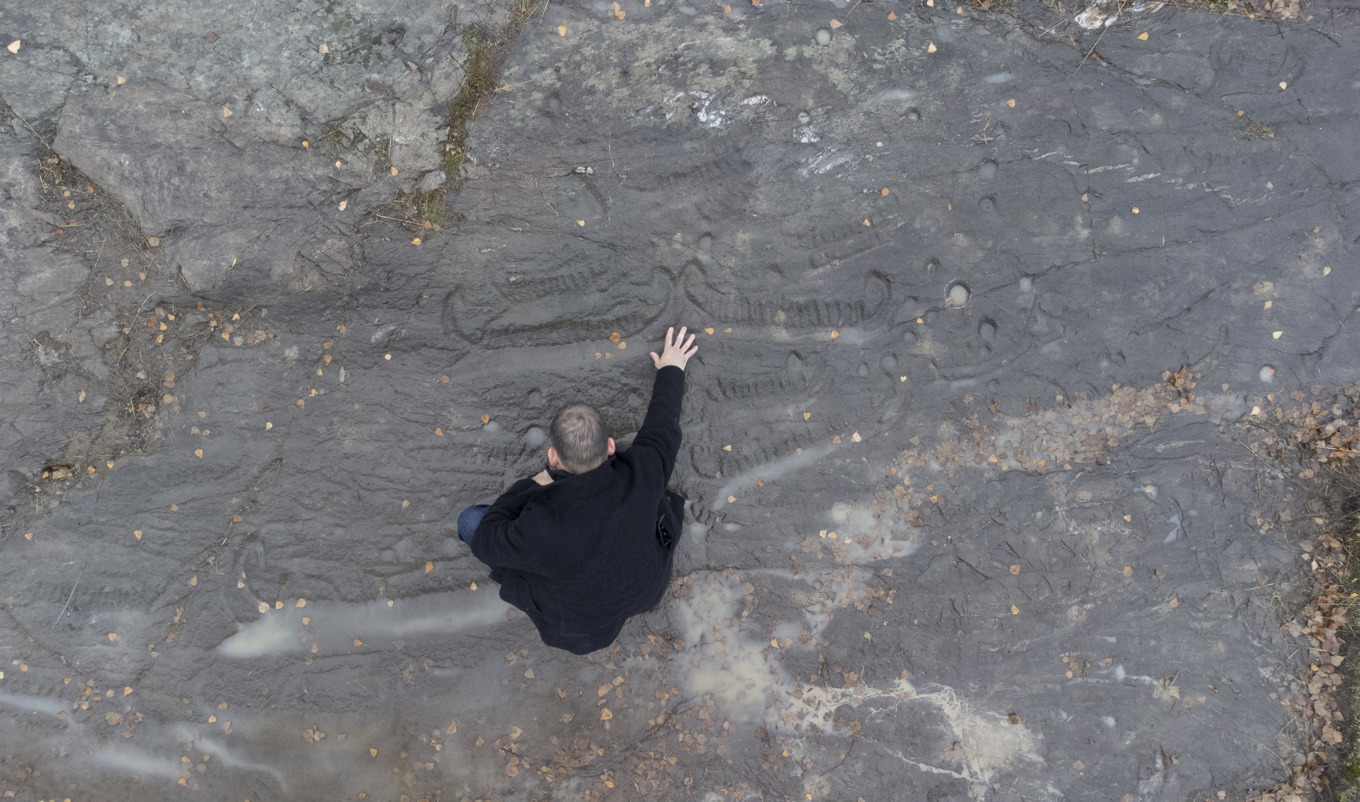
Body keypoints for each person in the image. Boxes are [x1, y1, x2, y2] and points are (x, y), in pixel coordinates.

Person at [457, 326, 699, 655]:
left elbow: (486, 542)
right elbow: (663, 427)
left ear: (553, 457)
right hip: (645, 588)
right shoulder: (643, 471)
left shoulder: (538, 524)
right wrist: (672, 367)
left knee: (470, 521)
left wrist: (532, 484)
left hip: (584, 620)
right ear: (610, 446)